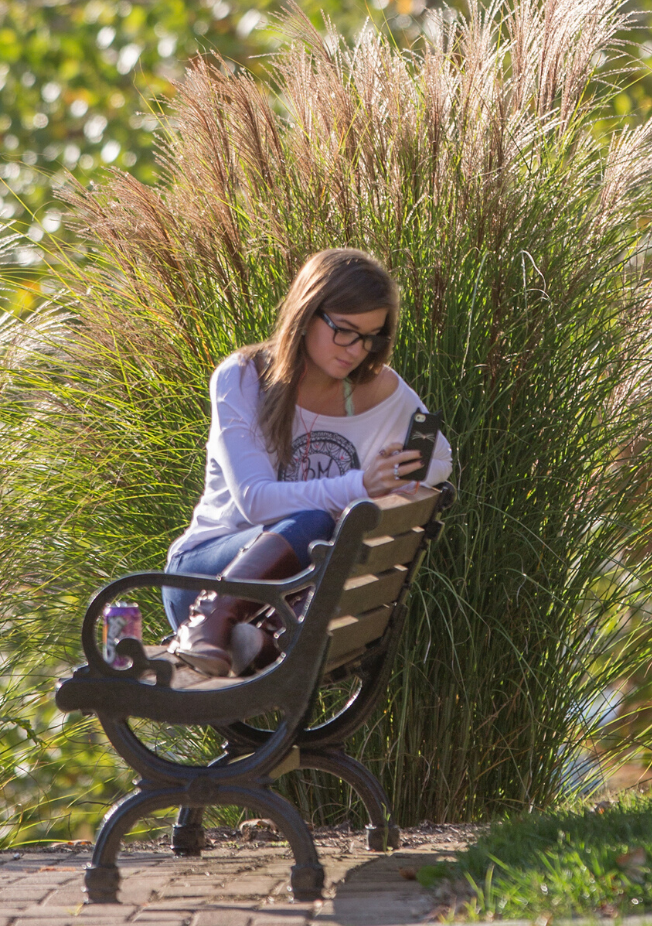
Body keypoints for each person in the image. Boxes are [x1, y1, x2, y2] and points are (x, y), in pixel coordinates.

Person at [163, 248, 453, 678]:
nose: (357, 349)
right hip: (204, 581)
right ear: (307, 311)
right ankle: (210, 628)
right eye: (345, 331)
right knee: (315, 523)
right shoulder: (242, 377)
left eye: (371, 336)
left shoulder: (378, 389)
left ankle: (260, 644)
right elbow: (254, 503)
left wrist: (394, 468)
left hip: (290, 595)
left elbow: (440, 457)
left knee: (330, 539)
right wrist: (362, 486)